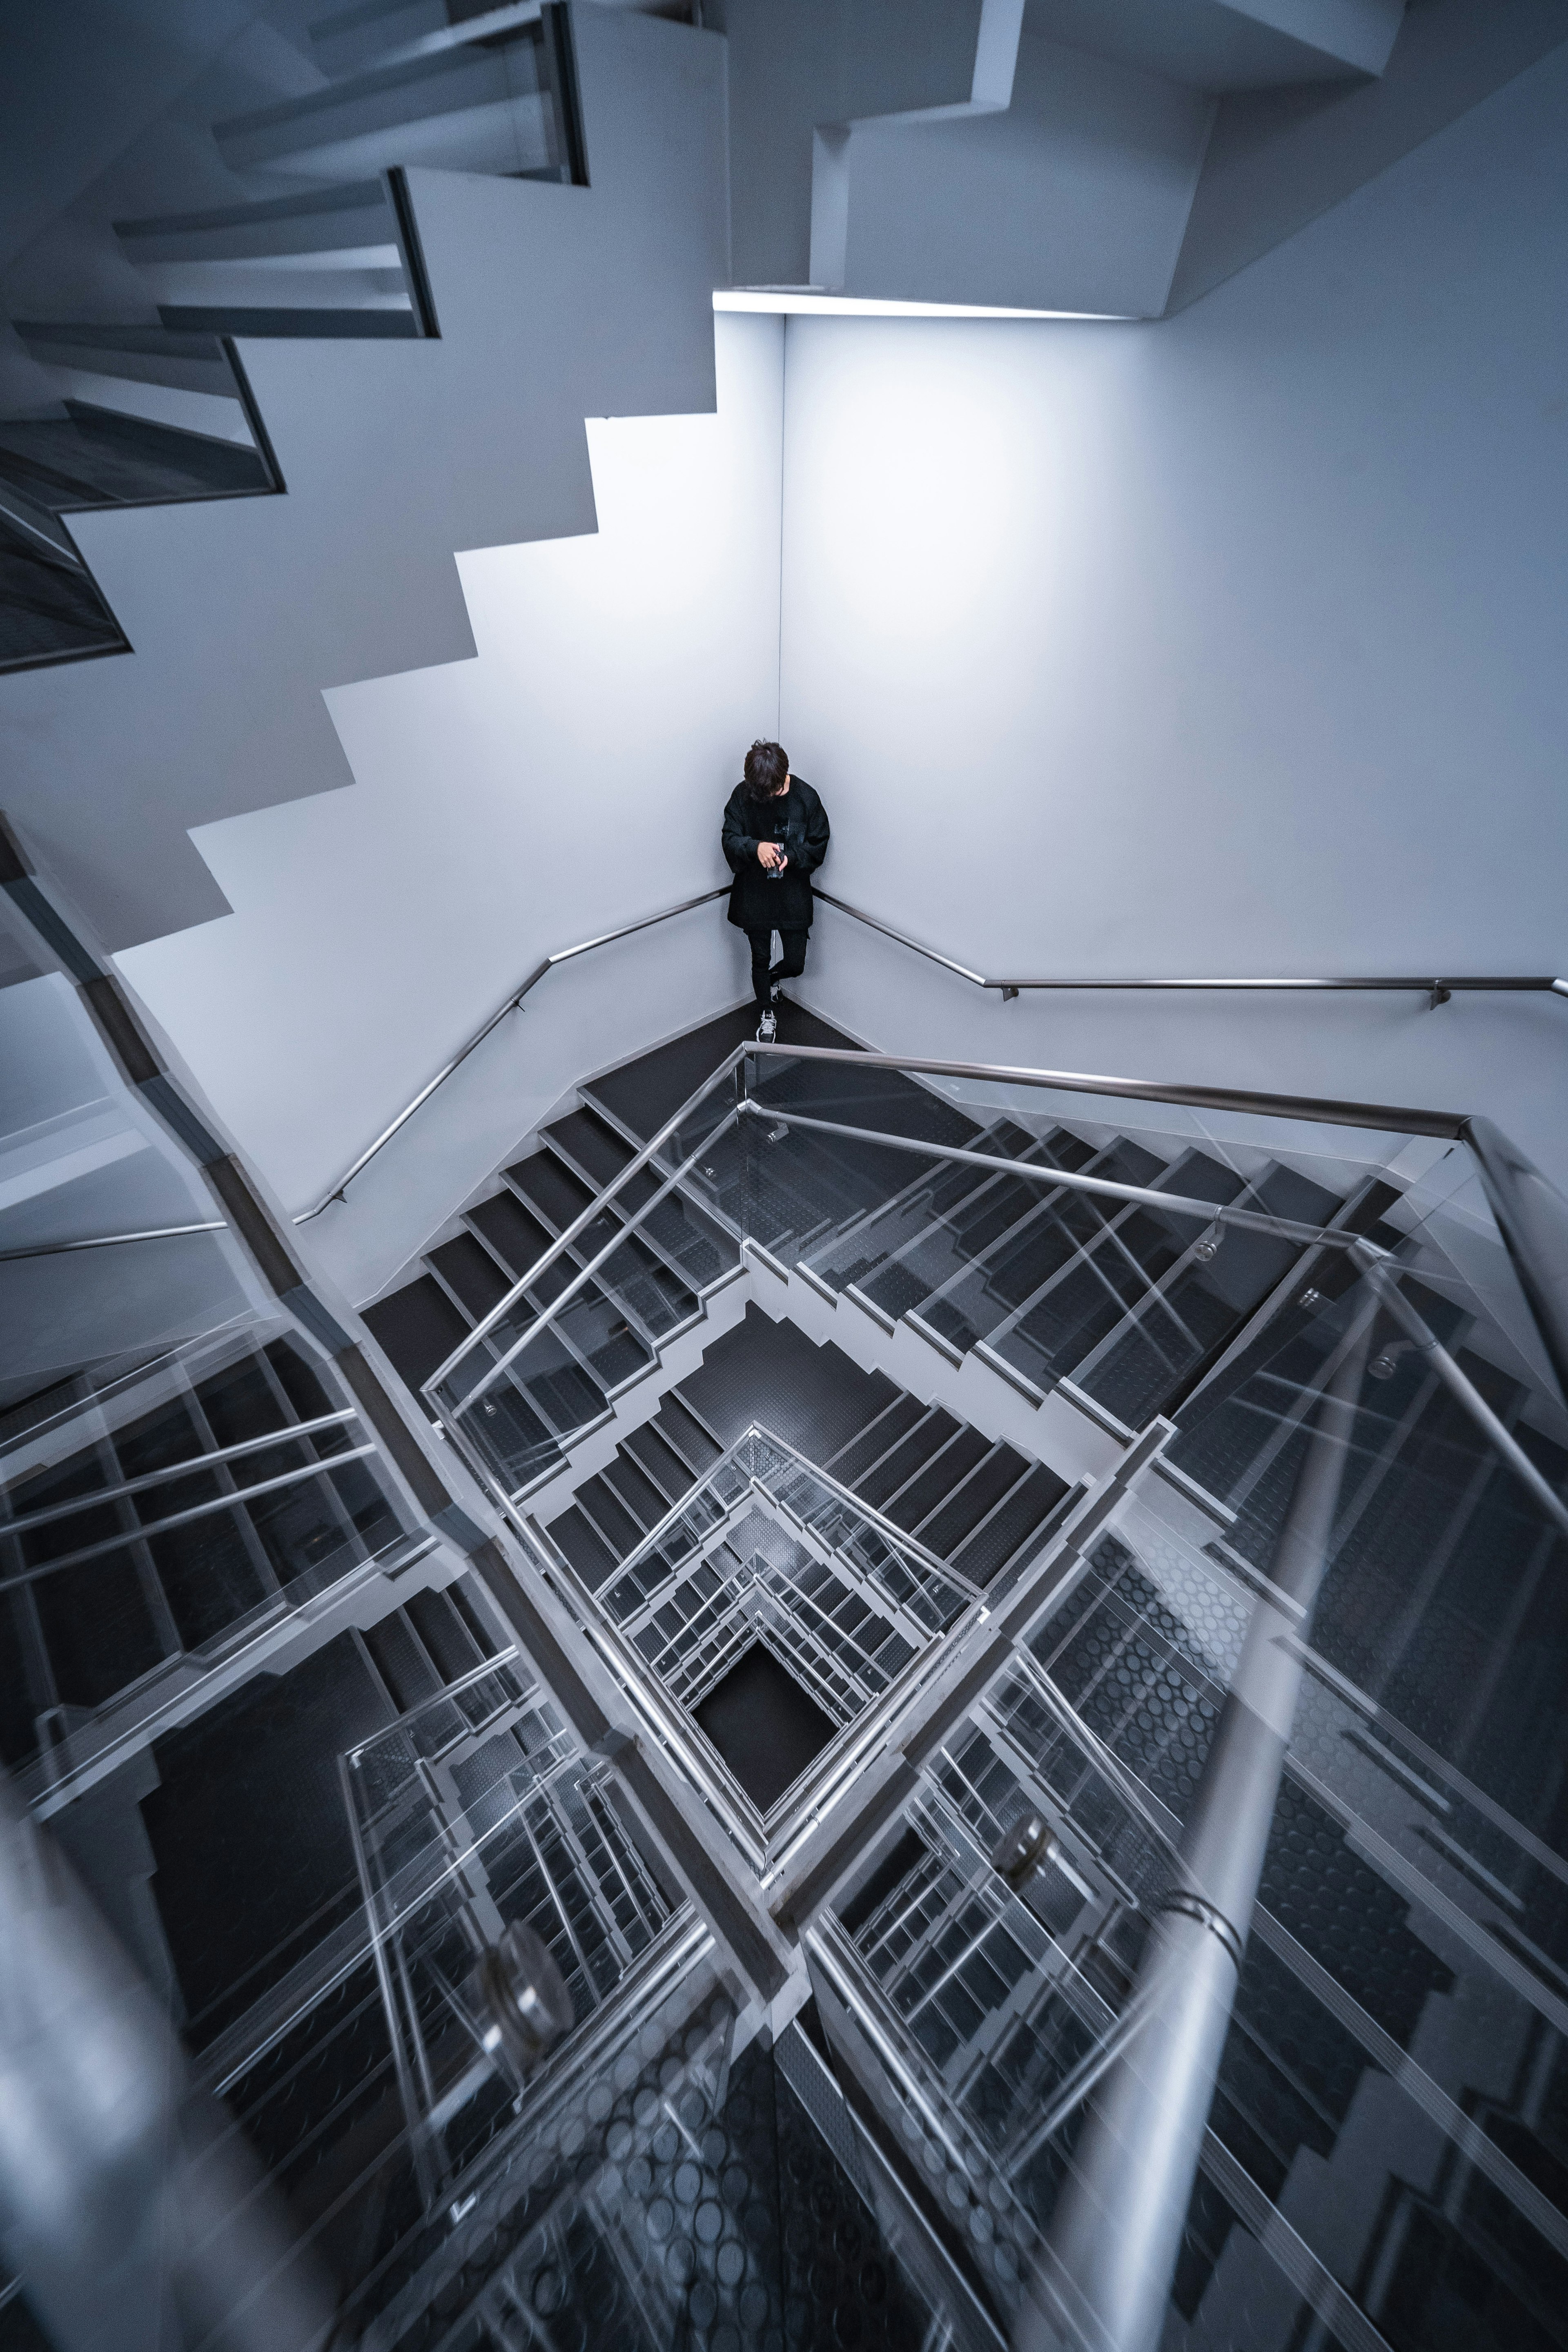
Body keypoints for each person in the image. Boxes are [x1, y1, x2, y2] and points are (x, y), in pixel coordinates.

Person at [721, 740, 830, 1041]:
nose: (769, 798)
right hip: (754, 893)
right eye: (763, 794)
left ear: (785, 774)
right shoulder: (743, 795)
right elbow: (730, 838)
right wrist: (755, 848)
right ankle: (766, 1010)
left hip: (793, 892)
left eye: (775, 792)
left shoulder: (806, 798)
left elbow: (819, 844)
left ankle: (770, 981)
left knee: (796, 963)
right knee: (759, 957)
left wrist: (791, 857)